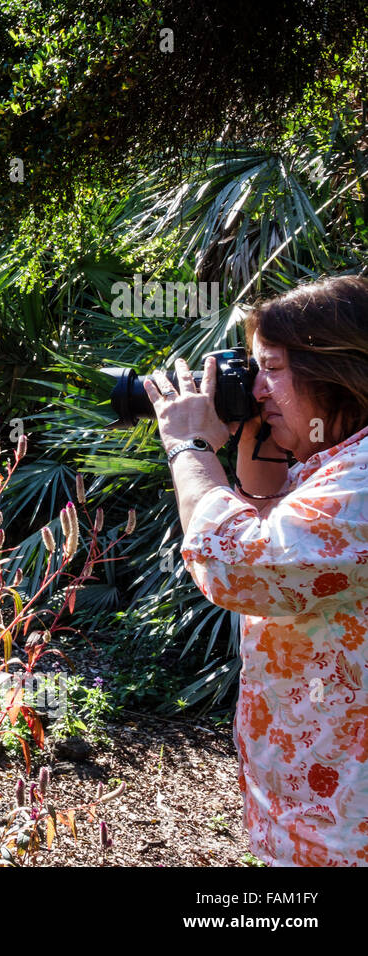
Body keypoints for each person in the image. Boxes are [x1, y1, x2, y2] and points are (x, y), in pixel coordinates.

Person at [144, 274, 368, 866]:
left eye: (270, 368)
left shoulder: (362, 482)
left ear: (336, 370)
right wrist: (250, 435)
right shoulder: (333, 466)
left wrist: (188, 449)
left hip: (346, 831)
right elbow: (268, 514)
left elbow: (236, 567)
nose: (256, 389)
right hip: (316, 810)